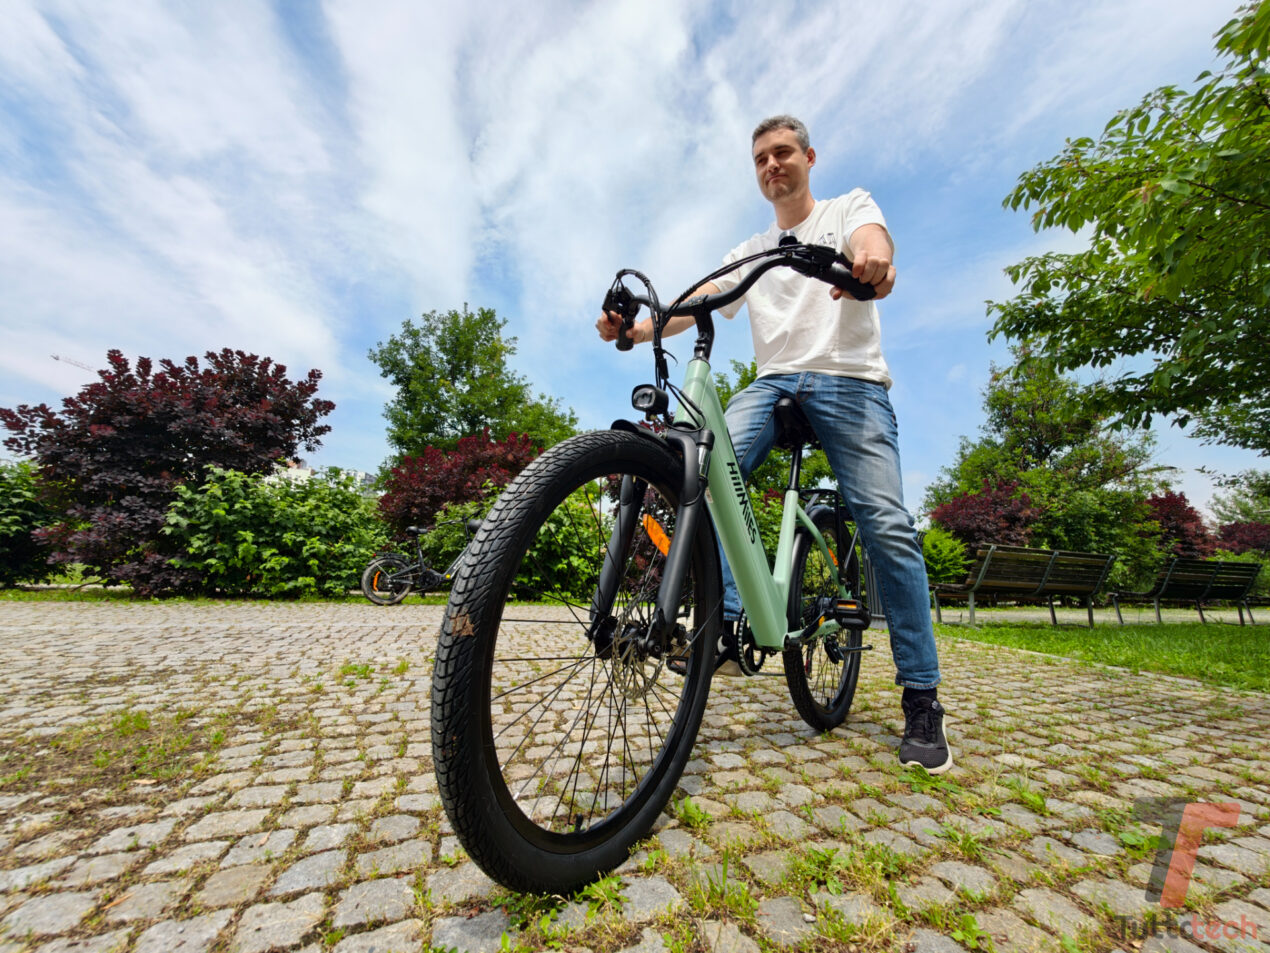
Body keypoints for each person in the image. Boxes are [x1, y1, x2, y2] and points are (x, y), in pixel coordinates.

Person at [597, 115, 950, 775]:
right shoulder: (755, 247)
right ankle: (728, 624)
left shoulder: (848, 208)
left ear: (809, 157)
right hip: (775, 383)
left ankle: (922, 696)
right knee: (703, 470)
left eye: (783, 152)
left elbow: (874, 246)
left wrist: (874, 262)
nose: (772, 165)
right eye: (760, 157)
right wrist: (636, 331)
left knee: (885, 523)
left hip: (850, 381)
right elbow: (703, 297)